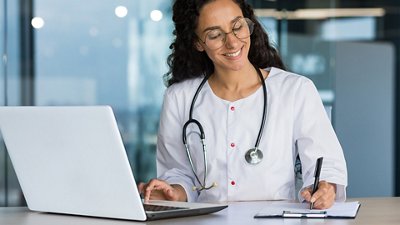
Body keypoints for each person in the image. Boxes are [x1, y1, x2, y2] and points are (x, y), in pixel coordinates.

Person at [138, 0, 347, 210]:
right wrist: (173, 193)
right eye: (214, 35)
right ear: (198, 42)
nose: (232, 42)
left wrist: (324, 187)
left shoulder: (296, 90)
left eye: (237, 26)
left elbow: (325, 165)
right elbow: (179, 173)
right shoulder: (179, 97)